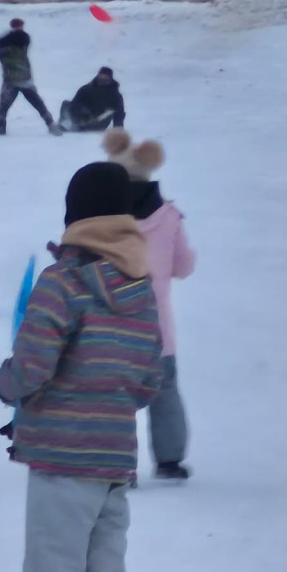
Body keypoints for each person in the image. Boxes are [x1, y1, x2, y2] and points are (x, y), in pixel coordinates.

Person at [0, 162, 163, 572]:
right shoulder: (140, 288)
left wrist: (5, 384)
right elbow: (148, 380)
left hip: (61, 464)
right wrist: (106, 404)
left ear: (75, 214)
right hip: (113, 465)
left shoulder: (63, 280)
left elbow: (31, 368)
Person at [104, 128, 195, 480]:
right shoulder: (169, 216)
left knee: (116, 398)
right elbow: (183, 266)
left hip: (111, 326)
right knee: (165, 391)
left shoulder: (102, 219)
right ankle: (170, 460)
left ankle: (119, 464)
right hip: (157, 329)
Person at [0, 18, 62, 136]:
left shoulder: (9, 43)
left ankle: (1, 128)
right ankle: (50, 125)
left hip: (12, 80)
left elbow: (8, 41)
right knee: (38, 104)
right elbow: (15, 39)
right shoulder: (20, 39)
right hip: (23, 78)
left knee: (4, 106)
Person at [59, 67, 126, 132]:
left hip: (99, 122)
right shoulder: (86, 89)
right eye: (101, 76)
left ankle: (72, 125)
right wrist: (81, 110)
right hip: (82, 118)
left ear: (110, 78)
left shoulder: (115, 94)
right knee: (66, 104)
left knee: (109, 111)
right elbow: (74, 103)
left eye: (105, 77)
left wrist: (118, 128)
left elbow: (119, 113)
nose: (102, 78)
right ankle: (65, 125)